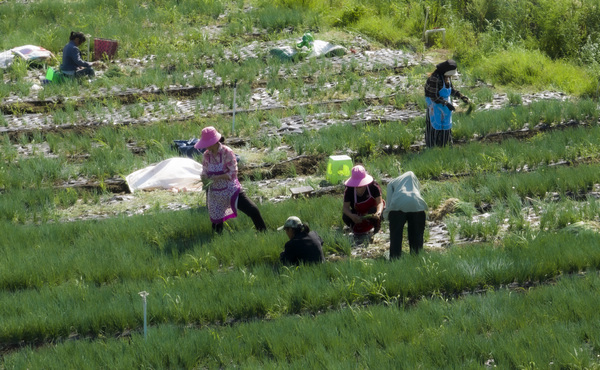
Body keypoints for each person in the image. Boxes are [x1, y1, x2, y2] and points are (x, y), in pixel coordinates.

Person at [196, 126, 267, 234]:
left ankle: (263, 232)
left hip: (230, 189)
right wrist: (204, 177)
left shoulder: (226, 152)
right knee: (216, 222)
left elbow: (233, 172)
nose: (206, 146)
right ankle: (217, 241)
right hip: (215, 192)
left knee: (252, 209)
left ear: (214, 142)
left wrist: (218, 177)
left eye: (207, 143)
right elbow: (205, 170)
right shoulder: (206, 155)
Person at [424, 59, 470, 147]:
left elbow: (452, 90)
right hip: (435, 106)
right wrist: (446, 104)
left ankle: (446, 147)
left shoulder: (447, 77)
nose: (451, 76)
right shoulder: (435, 78)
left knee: (446, 127)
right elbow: (433, 96)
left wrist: (461, 96)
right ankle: (432, 148)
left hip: (445, 106)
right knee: (434, 128)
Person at [383, 171, 428, 259]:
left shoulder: (391, 183)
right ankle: (416, 258)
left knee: (396, 236)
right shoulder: (414, 178)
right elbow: (416, 194)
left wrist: (386, 216)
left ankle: (395, 259)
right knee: (417, 237)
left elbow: (389, 204)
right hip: (417, 205)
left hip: (398, 207)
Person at [342, 165, 384, 235]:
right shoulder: (349, 189)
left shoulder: (373, 186)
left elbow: (380, 203)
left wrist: (378, 212)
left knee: (374, 211)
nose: (359, 187)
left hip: (372, 212)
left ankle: (376, 228)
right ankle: (355, 229)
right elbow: (345, 208)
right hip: (358, 214)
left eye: (361, 185)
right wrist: (352, 216)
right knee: (345, 217)